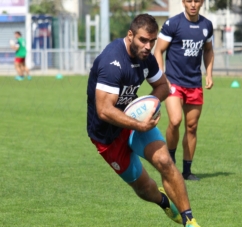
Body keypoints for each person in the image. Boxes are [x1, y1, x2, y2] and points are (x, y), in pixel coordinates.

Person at [87, 14, 201, 227]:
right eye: (143, 40)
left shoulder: (146, 58)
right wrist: (139, 123)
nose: (148, 46)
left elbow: (163, 86)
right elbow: (103, 110)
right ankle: (164, 201)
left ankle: (189, 220)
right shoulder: (113, 62)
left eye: (152, 41)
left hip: (136, 124)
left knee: (165, 162)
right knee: (144, 187)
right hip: (107, 137)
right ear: (130, 35)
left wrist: (149, 108)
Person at [154, 0, 215, 181]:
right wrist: (161, 77)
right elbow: (159, 51)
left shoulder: (207, 25)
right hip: (173, 83)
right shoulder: (173, 24)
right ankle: (170, 163)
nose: (193, 4)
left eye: (197, 1)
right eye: (189, 1)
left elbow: (209, 50)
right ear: (183, 2)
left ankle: (187, 171)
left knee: (192, 127)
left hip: (194, 83)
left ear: (202, 2)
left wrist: (209, 74)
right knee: (175, 120)